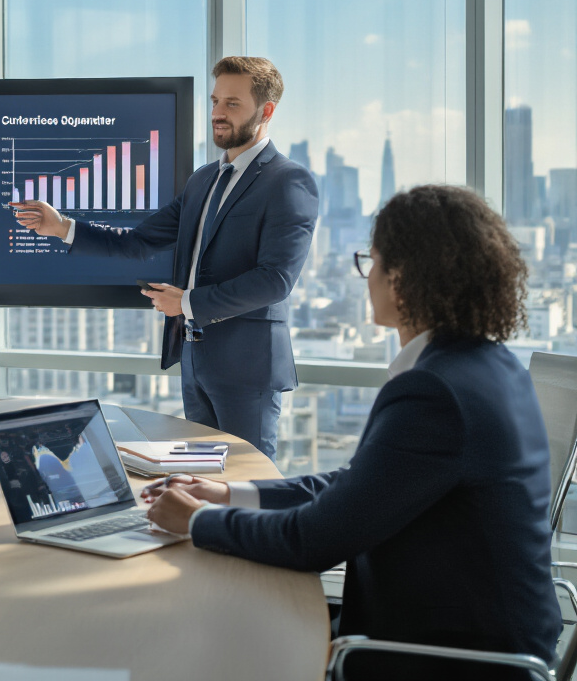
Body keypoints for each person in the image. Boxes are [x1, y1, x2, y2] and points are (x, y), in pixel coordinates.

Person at [145, 185, 562, 680]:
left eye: (372, 262)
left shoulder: (435, 392)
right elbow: (358, 484)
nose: (368, 278)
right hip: (472, 634)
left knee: (221, 643)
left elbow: (314, 541)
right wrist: (228, 493)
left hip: (446, 658)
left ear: (402, 278)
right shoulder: (487, 365)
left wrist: (194, 522)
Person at [14, 57, 318, 459]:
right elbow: (138, 243)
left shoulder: (288, 180)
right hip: (195, 361)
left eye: (232, 104)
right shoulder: (202, 180)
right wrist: (63, 227)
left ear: (266, 111)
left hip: (248, 370)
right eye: (214, 102)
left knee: (248, 482)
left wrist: (187, 303)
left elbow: (276, 280)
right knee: (204, 482)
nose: (217, 114)